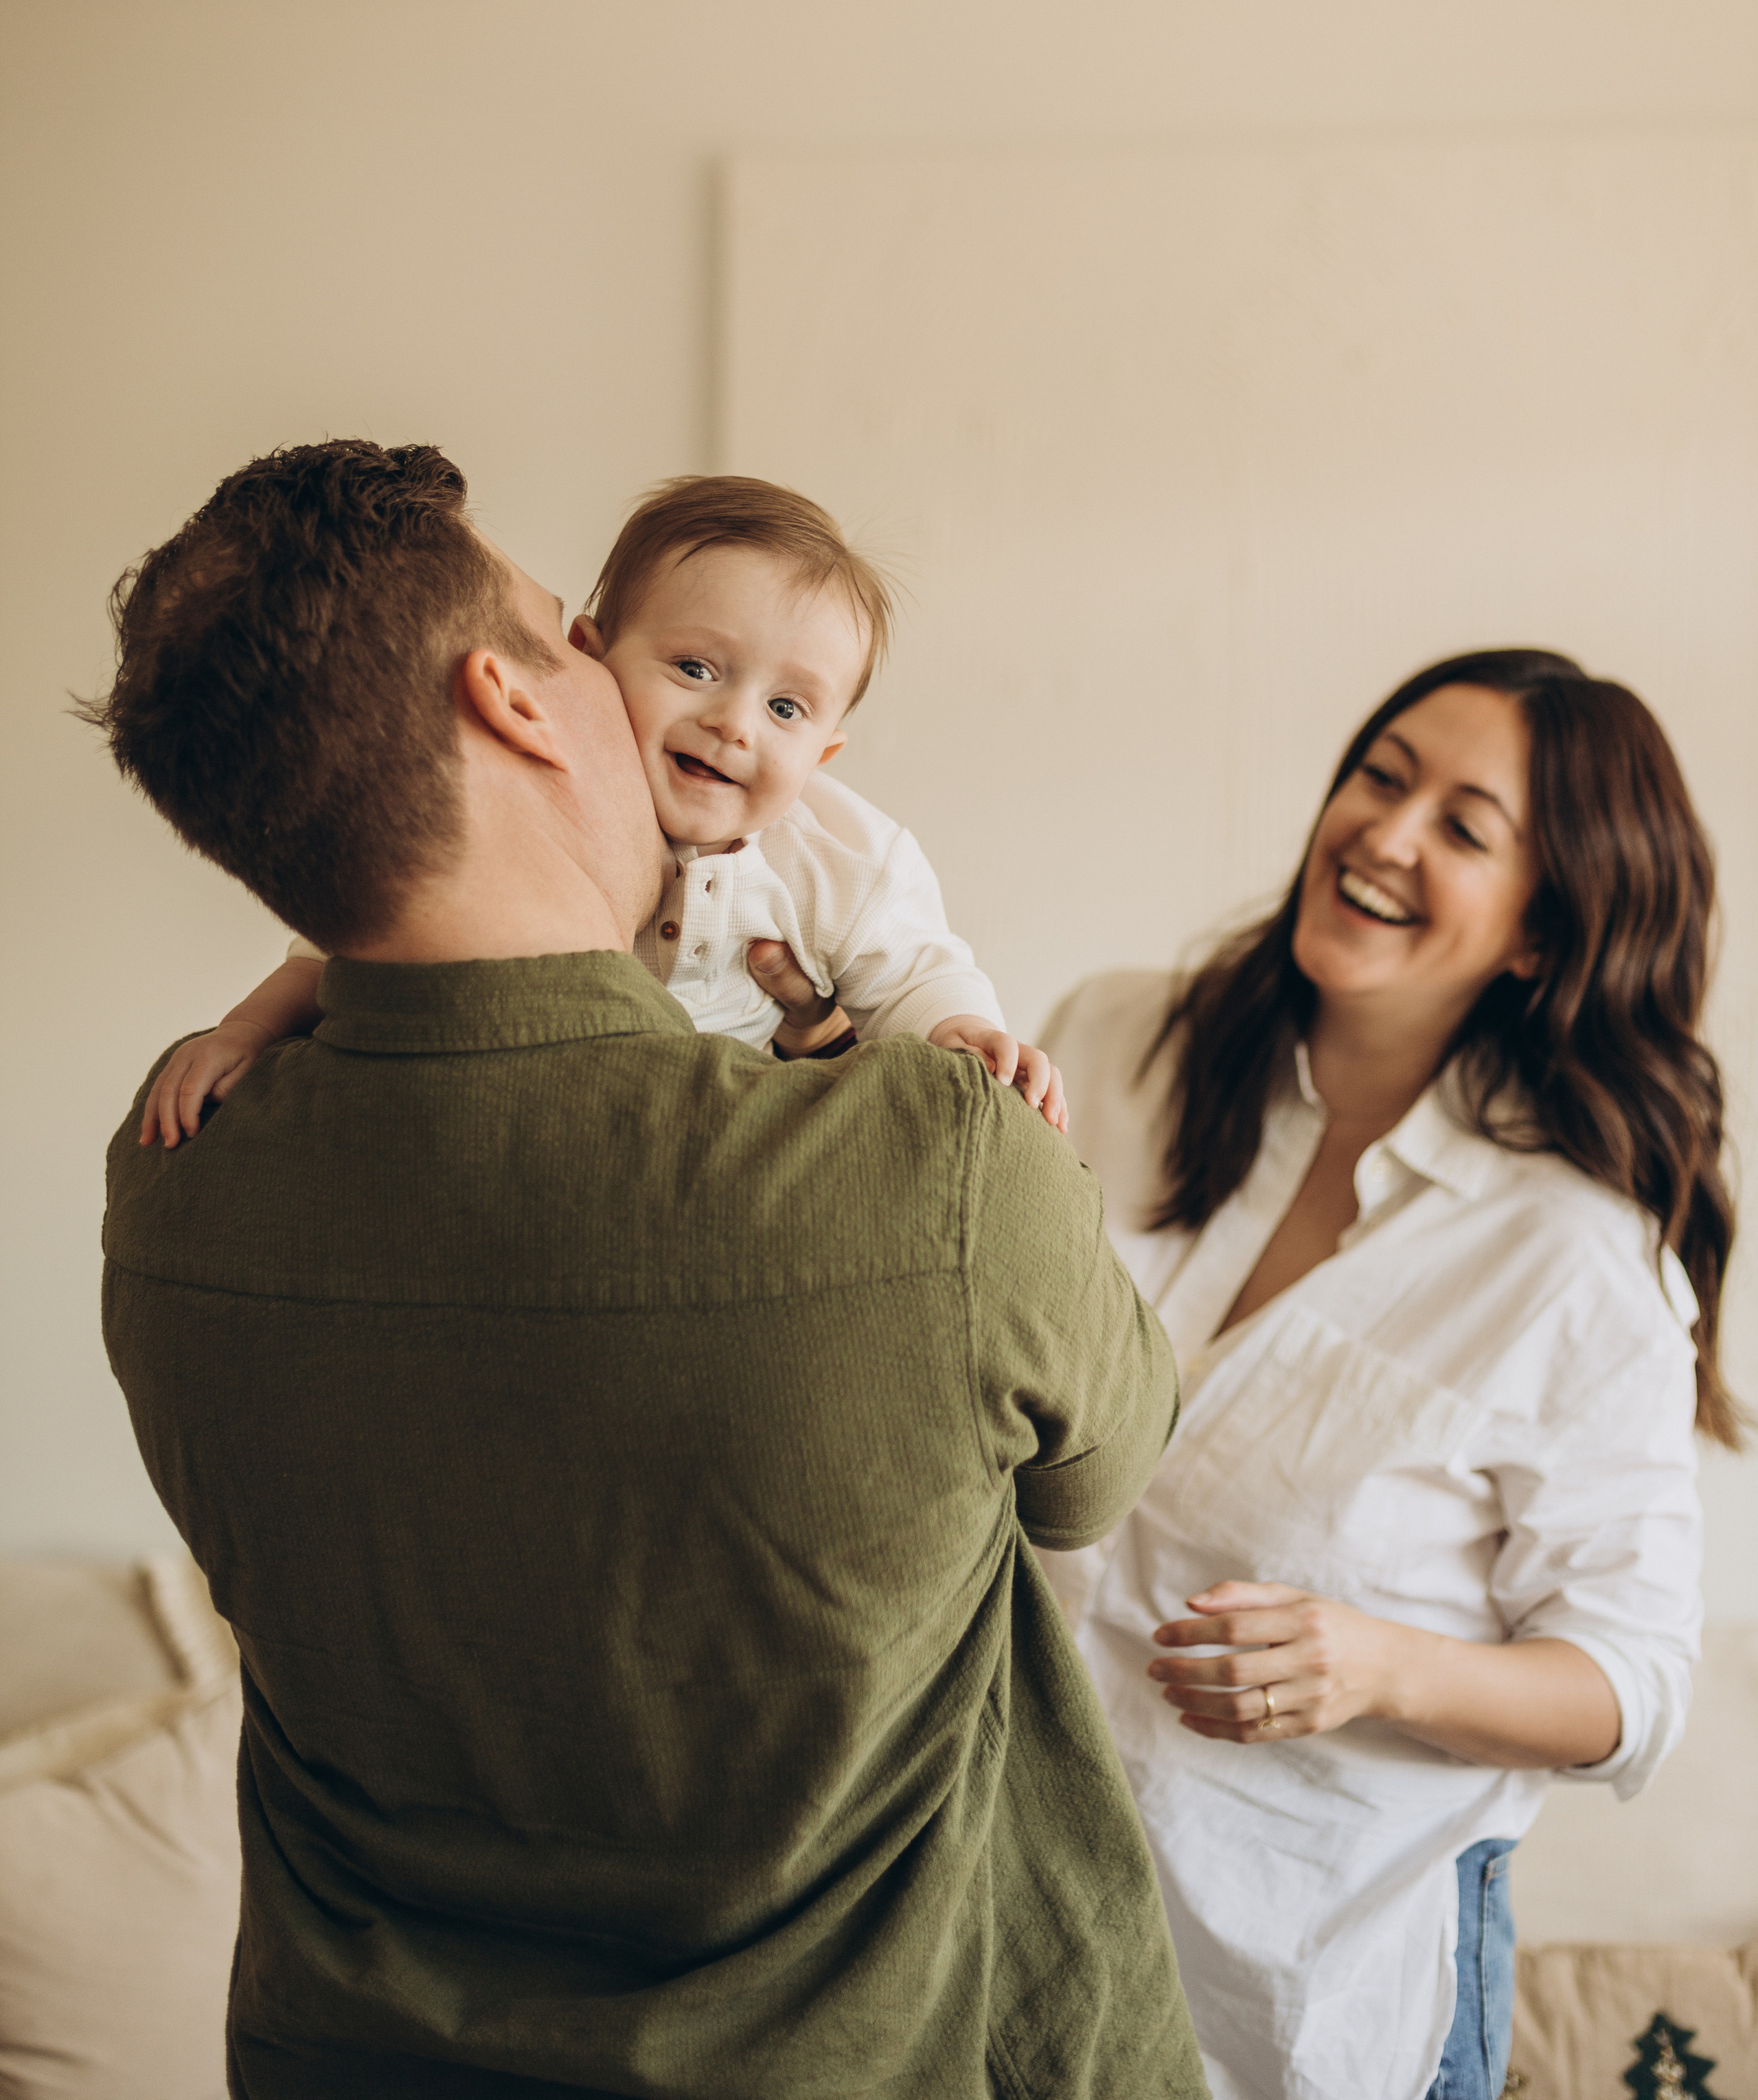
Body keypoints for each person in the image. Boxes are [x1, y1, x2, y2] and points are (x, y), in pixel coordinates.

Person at [91, 440, 1204, 2099]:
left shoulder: (173, 1195)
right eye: (579, 635)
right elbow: (1098, 1476)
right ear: (519, 702)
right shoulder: (933, 1167)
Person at [1037, 651, 1735, 2100]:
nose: (1384, 833)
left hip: (1311, 1994)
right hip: (1009, 1930)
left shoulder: (1572, 1262)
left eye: (1462, 827)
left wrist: (1377, 1667)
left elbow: (1632, 1686)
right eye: (1379, 773)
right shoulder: (1110, 1043)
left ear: (1538, 937)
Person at [138, 472, 1066, 1148]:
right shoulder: (540, 835)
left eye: (787, 709)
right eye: (695, 669)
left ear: (824, 753)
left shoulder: (837, 854)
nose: (732, 724)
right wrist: (241, 1034)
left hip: (744, 1138)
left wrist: (964, 1034)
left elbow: (913, 973)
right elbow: (337, 949)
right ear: (592, 654)